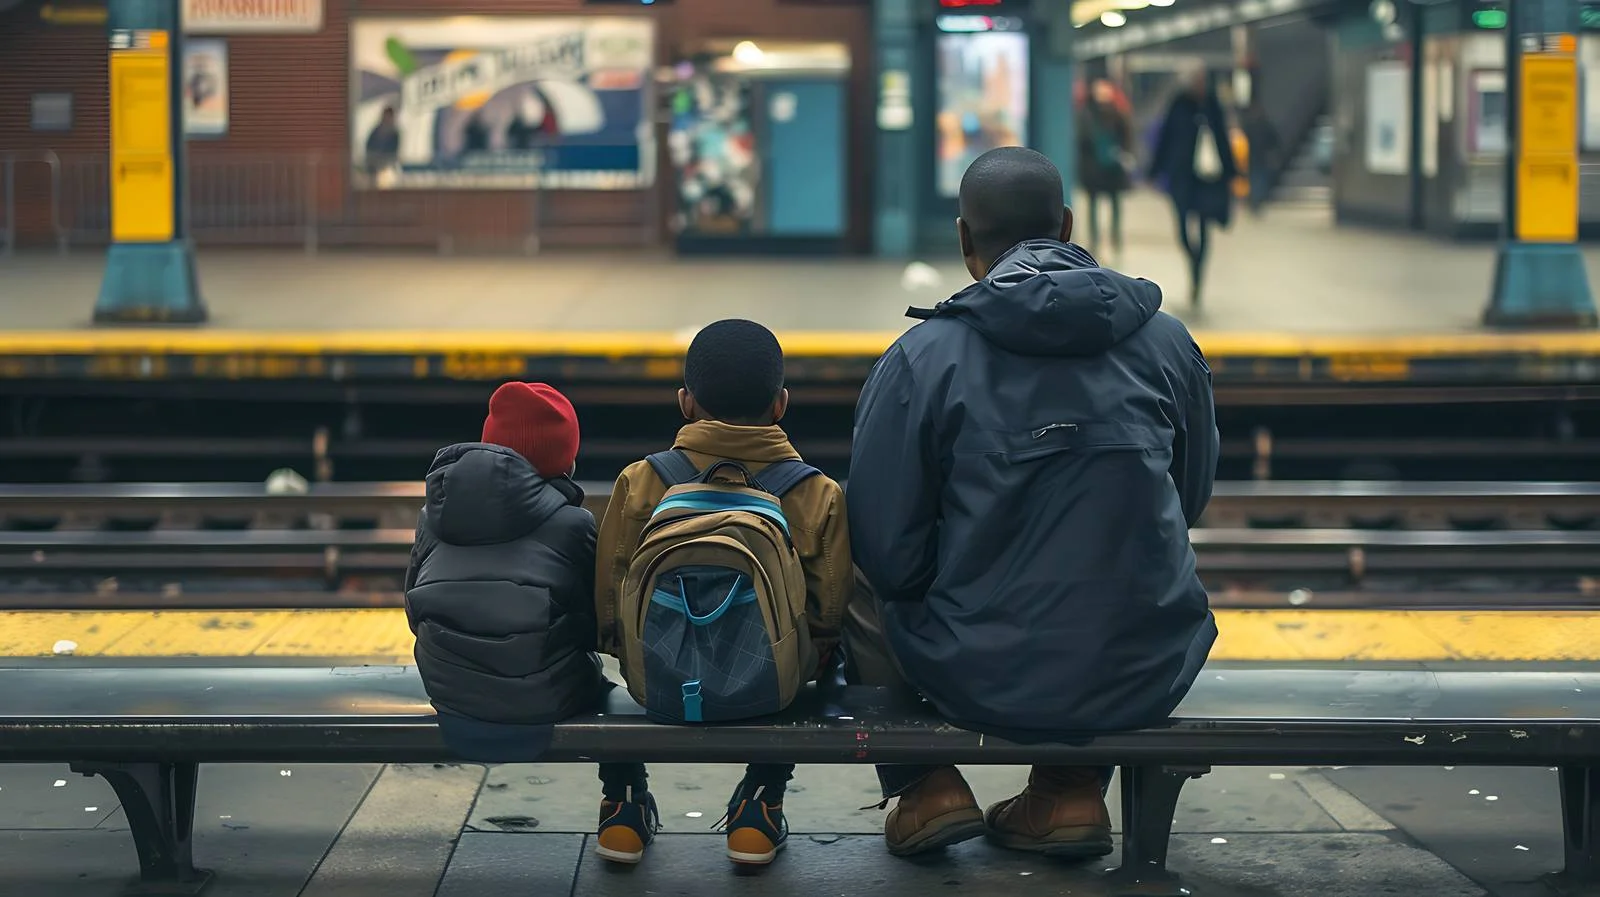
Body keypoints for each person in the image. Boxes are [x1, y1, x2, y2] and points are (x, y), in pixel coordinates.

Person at [844, 146, 1218, 860]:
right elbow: (1189, 496)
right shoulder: (1169, 343)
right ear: (1067, 225)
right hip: (1143, 666)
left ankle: (926, 787)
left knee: (854, 563)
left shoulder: (924, 358)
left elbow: (889, 553)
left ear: (964, 239)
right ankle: (1068, 791)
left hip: (979, 673)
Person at [592, 319, 852, 867]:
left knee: (596, 669)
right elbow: (829, 615)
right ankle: (761, 804)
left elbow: (610, 604)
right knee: (825, 658)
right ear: (780, 404)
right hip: (773, 688)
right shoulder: (818, 492)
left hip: (656, 682)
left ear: (686, 403)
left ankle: (622, 804)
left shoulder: (641, 480)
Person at [404, 382, 605, 733]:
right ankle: (621, 773)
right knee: (604, 680)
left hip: (449, 692)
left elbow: (412, 611)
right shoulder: (573, 523)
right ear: (565, 461)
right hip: (544, 698)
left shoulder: (433, 516)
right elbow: (593, 623)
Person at [1149, 65, 1237, 306]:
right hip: (1182, 177)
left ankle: (1198, 274)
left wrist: (1232, 172)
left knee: (1204, 227)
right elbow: (1166, 138)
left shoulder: (1212, 106)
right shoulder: (1178, 105)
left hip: (1207, 179)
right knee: (1183, 230)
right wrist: (1154, 170)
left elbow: (1222, 139)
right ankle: (1193, 259)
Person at [1075, 78, 1133, 258]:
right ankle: (1095, 241)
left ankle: (1115, 239)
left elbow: (1126, 136)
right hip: (1094, 167)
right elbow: (1082, 139)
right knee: (1094, 205)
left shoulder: (1117, 113)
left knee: (1115, 204)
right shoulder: (1086, 114)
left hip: (1112, 167)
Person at [1240, 100, 1281, 216]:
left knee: (1256, 180)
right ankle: (1256, 201)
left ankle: (1255, 202)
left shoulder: (1251, 126)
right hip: (1258, 157)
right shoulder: (1263, 125)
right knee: (1257, 180)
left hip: (1256, 157)